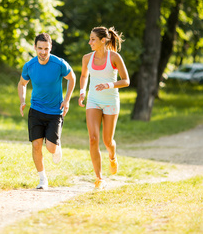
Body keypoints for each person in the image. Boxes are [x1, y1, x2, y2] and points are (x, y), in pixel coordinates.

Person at [18, 33, 76, 189]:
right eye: (40, 48)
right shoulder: (29, 66)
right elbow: (22, 83)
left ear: (50, 48)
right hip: (36, 109)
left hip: (54, 112)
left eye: (46, 49)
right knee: (36, 145)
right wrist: (23, 100)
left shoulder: (59, 64)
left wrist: (67, 99)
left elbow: (72, 78)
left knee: (50, 148)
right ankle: (42, 179)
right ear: (35, 48)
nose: (43, 52)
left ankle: (56, 146)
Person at [78, 26, 130, 189]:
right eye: (90, 38)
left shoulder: (114, 57)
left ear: (103, 40)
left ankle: (112, 157)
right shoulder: (87, 58)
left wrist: (108, 84)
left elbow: (126, 80)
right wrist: (82, 92)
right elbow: (84, 75)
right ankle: (99, 178)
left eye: (93, 39)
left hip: (110, 101)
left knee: (108, 141)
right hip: (93, 100)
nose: (90, 42)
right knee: (93, 139)